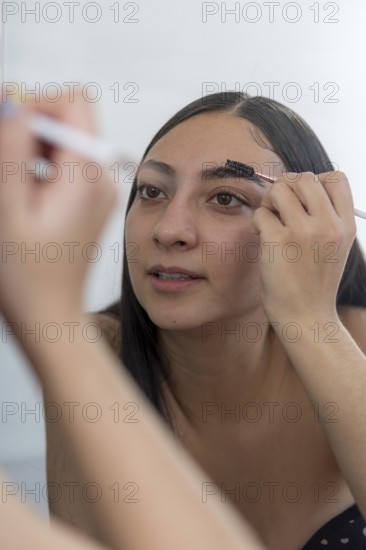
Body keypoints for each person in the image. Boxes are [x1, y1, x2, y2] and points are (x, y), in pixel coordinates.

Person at [1, 91, 365, 550]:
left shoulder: (356, 341)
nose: (169, 230)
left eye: (226, 198)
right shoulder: (93, 355)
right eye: (152, 191)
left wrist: (312, 323)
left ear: (306, 223)